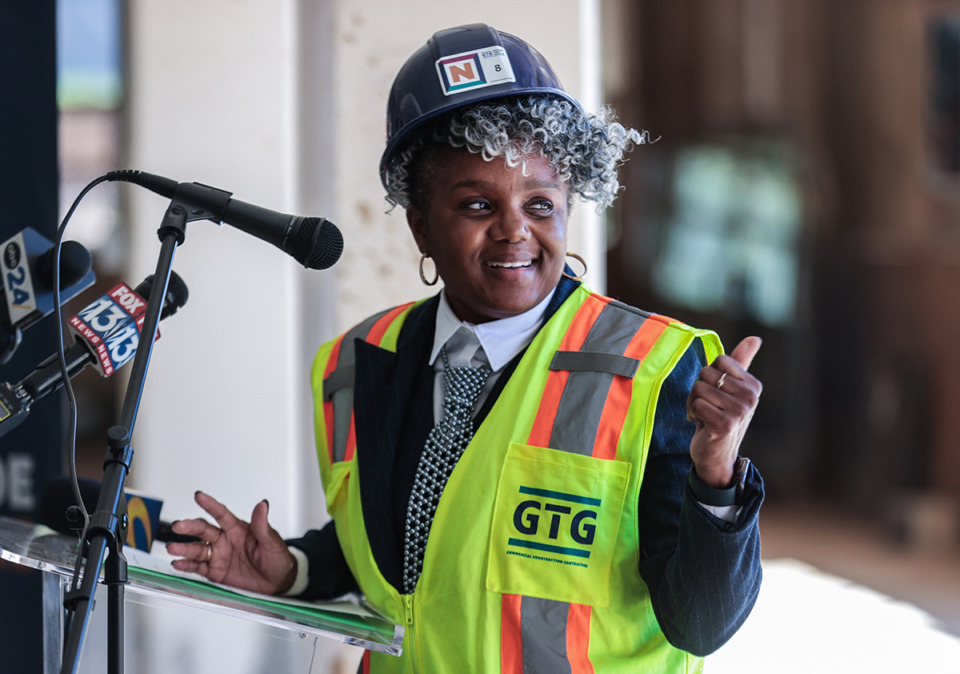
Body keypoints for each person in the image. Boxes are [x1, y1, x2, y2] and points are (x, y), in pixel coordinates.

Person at [167, 23, 765, 673]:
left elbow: (701, 624)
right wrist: (295, 569)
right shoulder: (354, 364)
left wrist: (717, 476)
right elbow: (412, 558)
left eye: (540, 204)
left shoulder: (653, 369)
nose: (515, 231)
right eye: (478, 204)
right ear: (421, 226)